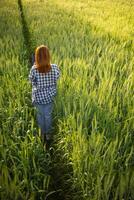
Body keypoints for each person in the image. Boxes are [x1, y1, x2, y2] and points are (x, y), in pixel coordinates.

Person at [29, 45, 60, 150]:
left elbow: (32, 82)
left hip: (38, 98)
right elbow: (58, 78)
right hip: (50, 98)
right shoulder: (54, 67)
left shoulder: (34, 69)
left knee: (40, 116)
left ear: (37, 57)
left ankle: (42, 134)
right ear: (48, 56)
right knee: (48, 116)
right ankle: (49, 135)